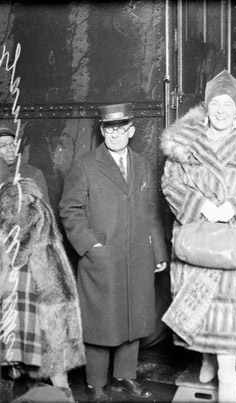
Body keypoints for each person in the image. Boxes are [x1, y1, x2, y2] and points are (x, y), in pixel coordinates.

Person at [161, 70, 236, 403]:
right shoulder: (185, 143)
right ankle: (207, 359)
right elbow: (170, 182)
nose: (221, 110)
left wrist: (233, 207)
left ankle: (226, 373)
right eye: (216, 103)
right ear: (207, 106)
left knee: (226, 312)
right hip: (196, 237)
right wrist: (202, 206)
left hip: (232, 240)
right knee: (198, 310)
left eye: (228, 104)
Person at [59, 103, 168, 403]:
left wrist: (158, 251)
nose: (115, 134)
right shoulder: (85, 164)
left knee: (133, 317)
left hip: (138, 256)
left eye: (121, 129)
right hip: (102, 258)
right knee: (101, 321)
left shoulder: (142, 164)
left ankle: (124, 377)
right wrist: (90, 246)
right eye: (109, 129)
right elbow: (69, 210)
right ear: (102, 130)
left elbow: (151, 211)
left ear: (131, 131)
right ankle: (95, 383)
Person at [0, 178, 85, 402]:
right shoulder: (26, 193)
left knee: (44, 349)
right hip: (49, 277)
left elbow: (17, 245)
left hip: (32, 281)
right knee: (48, 350)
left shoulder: (15, 196)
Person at [0, 127, 49, 204]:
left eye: (12, 144)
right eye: (3, 146)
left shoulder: (33, 173)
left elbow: (43, 208)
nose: (10, 149)